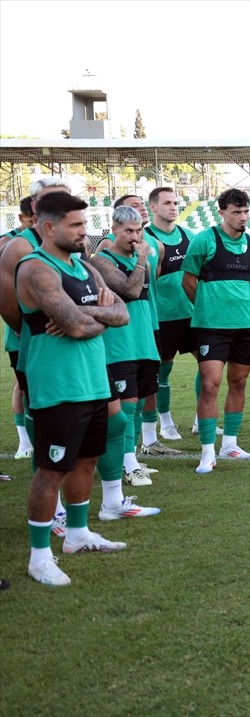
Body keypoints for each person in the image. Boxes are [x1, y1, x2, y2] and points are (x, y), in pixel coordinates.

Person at [17, 192, 130, 586]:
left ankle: (78, 535)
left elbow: (122, 313)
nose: (85, 232)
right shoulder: (35, 269)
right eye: (77, 225)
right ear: (48, 227)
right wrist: (92, 317)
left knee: (87, 460)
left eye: (85, 224)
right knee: (51, 470)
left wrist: (88, 313)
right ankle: (39, 556)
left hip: (94, 382)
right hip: (58, 386)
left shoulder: (85, 268)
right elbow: (78, 327)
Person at [87, 205, 162, 518]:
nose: (135, 237)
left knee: (136, 404)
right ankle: (129, 466)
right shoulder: (102, 260)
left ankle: (128, 461)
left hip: (143, 340)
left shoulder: (140, 258)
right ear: (114, 230)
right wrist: (143, 258)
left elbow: (148, 294)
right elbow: (131, 291)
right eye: (128, 231)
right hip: (119, 345)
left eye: (138, 231)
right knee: (125, 407)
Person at [182, 188, 250, 472]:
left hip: (245, 324)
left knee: (239, 382)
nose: (242, 218)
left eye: (245, 212)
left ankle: (230, 444)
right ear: (222, 213)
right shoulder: (203, 240)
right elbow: (188, 282)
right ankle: (207, 451)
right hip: (210, 326)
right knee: (210, 383)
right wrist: (207, 307)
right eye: (236, 212)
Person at [1, 179, 72, 480]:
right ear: (34, 206)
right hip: (34, 342)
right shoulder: (19, 246)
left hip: (73, 342)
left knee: (75, 406)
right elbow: (6, 302)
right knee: (40, 408)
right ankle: (43, 471)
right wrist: (31, 328)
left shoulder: (74, 241)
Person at [142, 186, 195, 444]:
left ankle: (201, 419)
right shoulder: (147, 238)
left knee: (209, 366)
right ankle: (166, 422)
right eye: (167, 203)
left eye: (175, 202)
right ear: (153, 207)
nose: (173, 207)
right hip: (162, 317)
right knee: (162, 372)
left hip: (191, 314)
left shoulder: (189, 235)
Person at [1, 195, 35, 460]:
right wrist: (18, 325)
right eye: (31, 219)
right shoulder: (9, 244)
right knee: (22, 386)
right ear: (22, 218)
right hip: (21, 330)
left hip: (45, 332)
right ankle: (24, 440)